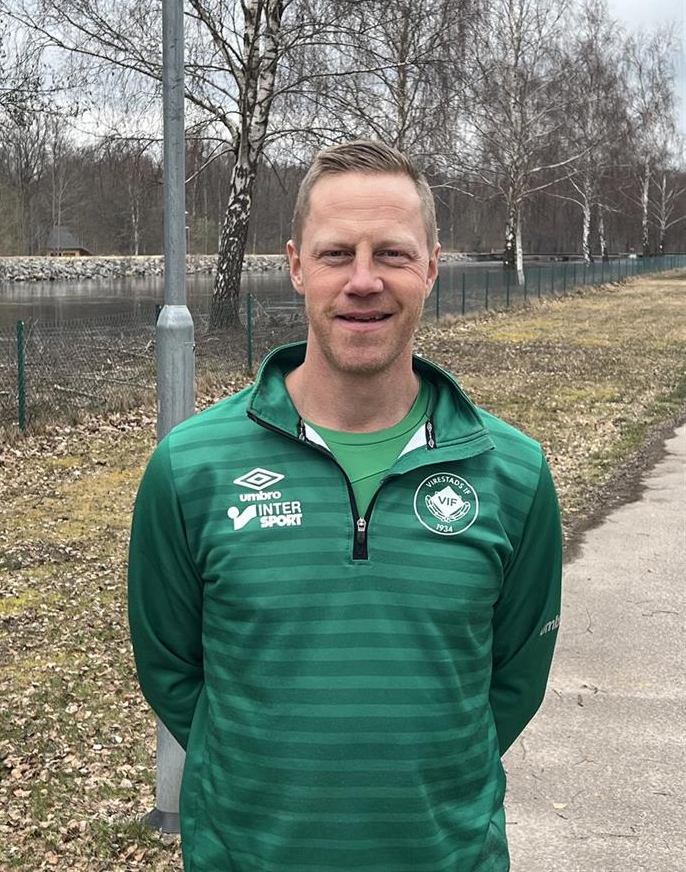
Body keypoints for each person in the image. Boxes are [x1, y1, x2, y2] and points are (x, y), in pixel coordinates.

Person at [128, 140, 562, 871]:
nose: (364, 281)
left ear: (431, 266)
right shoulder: (191, 466)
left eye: (392, 254)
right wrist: (261, 771)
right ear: (297, 266)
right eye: (337, 254)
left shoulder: (513, 473)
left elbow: (514, 679)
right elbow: (171, 666)